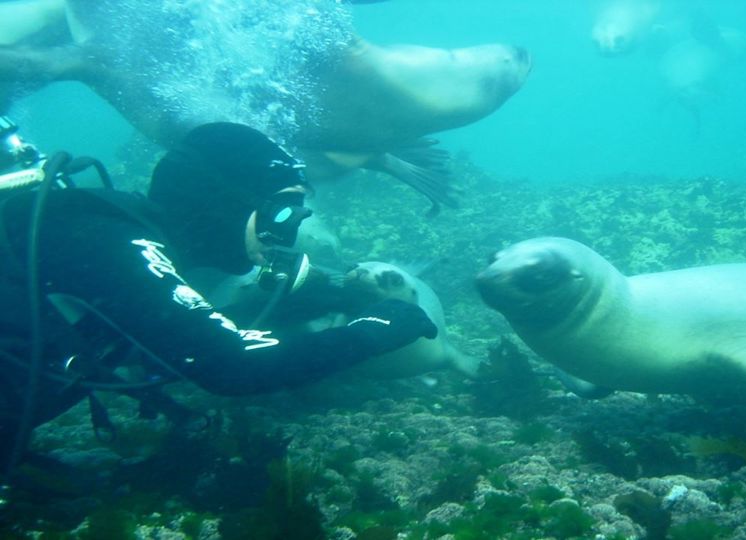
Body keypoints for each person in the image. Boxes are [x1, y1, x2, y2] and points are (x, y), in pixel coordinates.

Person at [0, 121, 438, 482]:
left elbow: (162, 343)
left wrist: (292, 308)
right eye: (282, 213)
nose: (285, 235)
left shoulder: (100, 231)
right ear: (225, 199)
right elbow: (233, 365)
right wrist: (380, 327)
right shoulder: (113, 240)